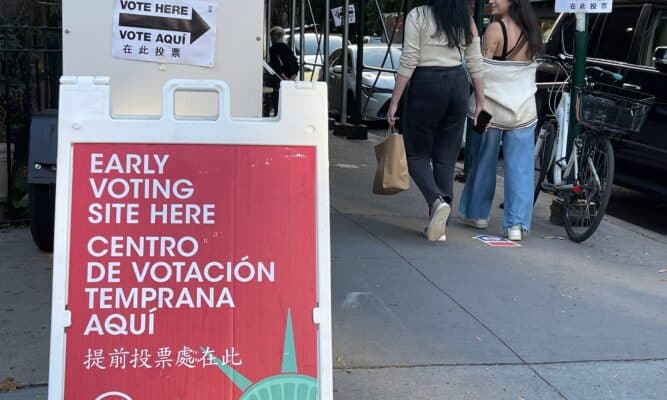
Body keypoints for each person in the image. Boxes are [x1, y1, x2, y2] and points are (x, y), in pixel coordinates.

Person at [387, 0, 486, 242]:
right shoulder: (464, 17)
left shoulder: (417, 15)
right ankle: (439, 225)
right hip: (458, 86)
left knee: (415, 155)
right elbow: (475, 60)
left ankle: (436, 201)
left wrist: (395, 101)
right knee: (446, 159)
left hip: (426, 85)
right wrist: (482, 101)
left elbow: (409, 59)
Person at [459, 0, 544, 241]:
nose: (491, 1)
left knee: (484, 161)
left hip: (492, 110)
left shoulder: (495, 30)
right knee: (520, 168)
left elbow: (481, 70)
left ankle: (478, 215)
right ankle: (515, 225)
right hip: (523, 111)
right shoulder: (532, 30)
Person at [268, 26, 298, 116]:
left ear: (274, 37)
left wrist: (284, 78)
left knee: (277, 103)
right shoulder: (287, 48)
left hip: (279, 80)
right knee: (287, 104)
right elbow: (295, 64)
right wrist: (291, 78)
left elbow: (276, 66)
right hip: (290, 79)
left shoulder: (273, 49)